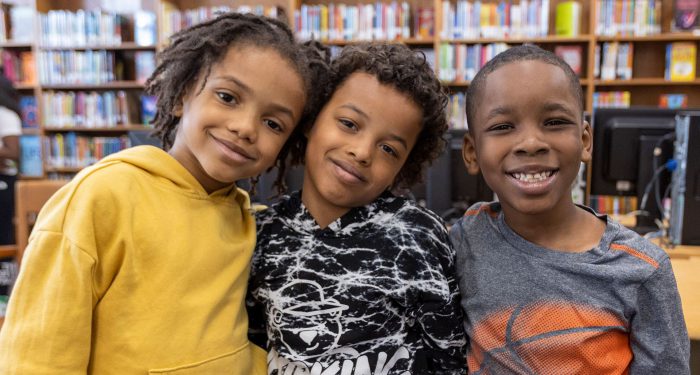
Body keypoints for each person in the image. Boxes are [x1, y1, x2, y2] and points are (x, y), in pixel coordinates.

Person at [0, 13, 330, 374]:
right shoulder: (103, 196)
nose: (245, 127)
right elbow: (37, 355)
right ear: (181, 95)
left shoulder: (248, 222)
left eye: (273, 124)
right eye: (228, 97)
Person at [451, 44, 690, 374]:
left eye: (554, 122)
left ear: (585, 141)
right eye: (503, 127)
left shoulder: (641, 270)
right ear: (472, 153)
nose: (531, 142)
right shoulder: (466, 236)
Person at [247, 43, 467, 374]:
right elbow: (252, 347)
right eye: (349, 124)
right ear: (311, 120)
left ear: (404, 166)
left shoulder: (418, 237)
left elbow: (449, 360)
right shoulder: (262, 234)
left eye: (389, 149)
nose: (363, 152)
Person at [0, 70, 21, 246]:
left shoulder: (6, 115)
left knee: (4, 232)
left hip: (4, 180)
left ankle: (4, 273)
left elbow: (13, 152)